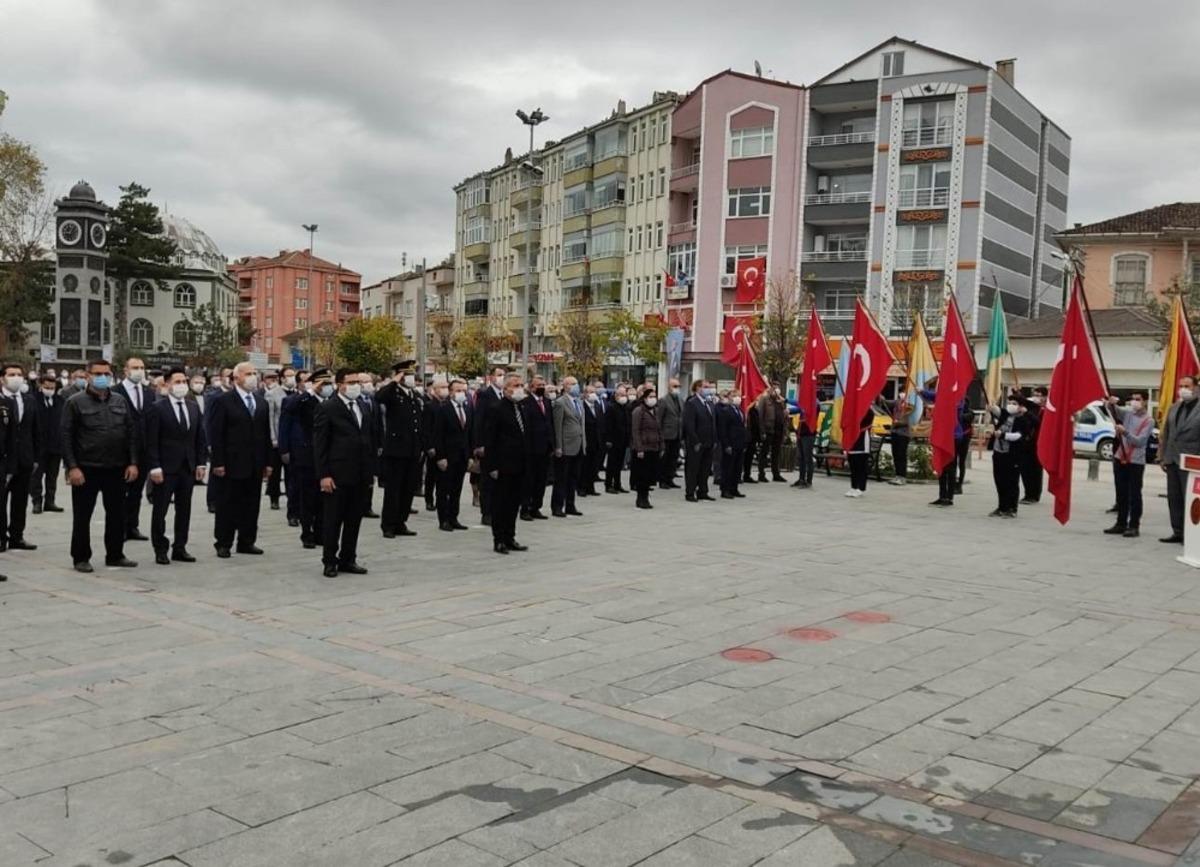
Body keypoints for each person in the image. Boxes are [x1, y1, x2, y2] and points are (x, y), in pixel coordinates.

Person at [61, 359, 139, 572]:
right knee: (82, 515)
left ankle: (115, 554)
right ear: (88, 376)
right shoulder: (75, 402)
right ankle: (80, 557)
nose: (102, 377)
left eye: (106, 373)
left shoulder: (120, 401)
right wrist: (72, 467)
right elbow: (66, 437)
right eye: (97, 374)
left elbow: (131, 433)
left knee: (117, 514)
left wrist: (133, 462)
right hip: (87, 468)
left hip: (116, 467)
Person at [207, 361, 271, 557]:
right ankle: (223, 542)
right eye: (248, 374)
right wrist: (218, 462)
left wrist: (268, 462)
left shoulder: (261, 402)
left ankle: (246, 541)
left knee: (251, 505)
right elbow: (216, 434)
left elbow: (265, 434)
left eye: (254, 373)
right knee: (228, 504)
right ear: (236, 378)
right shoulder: (223, 401)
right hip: (231, 462)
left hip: (255, 462)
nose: (253, 377)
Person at [313, 370, 373, 577]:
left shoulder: (363, 406)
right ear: (340, 384)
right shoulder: (328, 407)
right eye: (351, 382)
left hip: (359, 473)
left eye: (358, 381)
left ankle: (348, 558)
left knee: (354, 519)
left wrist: (371, 471)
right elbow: (320, 444)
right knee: (333, 520)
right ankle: (330, 560)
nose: (356, 385)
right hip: (337, 474)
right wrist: (324, 475)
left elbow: (368, 439)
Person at [145, 367, 207, 564]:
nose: (182, 385)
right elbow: (151, 440)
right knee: (160, 510)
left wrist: (201, 463)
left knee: (184, 509)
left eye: (184, 382)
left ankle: (180, 547)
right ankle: (160, 548)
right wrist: (154, 466)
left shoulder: (193, 407)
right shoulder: (157, 408)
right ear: (167, 384)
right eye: (177, 382)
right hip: (165, 468)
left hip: (187, 467)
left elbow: (199, 437)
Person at [279, 368, 330, 549]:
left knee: (323, 498)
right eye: (324, 384)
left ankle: (320, 532)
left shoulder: (330, 402)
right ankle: (307, 533)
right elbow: (288, 411)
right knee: (307, 497)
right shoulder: (300, 400)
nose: (327, 387)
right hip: (306, 455)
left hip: (326, 455)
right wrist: (309, 391)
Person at [483, 373, 530, 554]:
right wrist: (492, 466)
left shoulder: (521, 407)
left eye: (521, 385)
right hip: (503, 465)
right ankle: (499, 539)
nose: (520, 389)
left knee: (514, 503)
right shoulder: (496, 408)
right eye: (516, 385)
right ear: (506, 389)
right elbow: (490, 439)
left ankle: (510, 537)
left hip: (520, 464)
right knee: (500, 504)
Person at [376, 361, 423, 538]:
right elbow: (379, 397)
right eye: (407, 374)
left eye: (412, 374)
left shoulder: (413, 395)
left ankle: (401, 522)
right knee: (393, 490)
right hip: (396, 450)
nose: (411, 378)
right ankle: (388, 525)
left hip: (412, 450)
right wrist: (394, 381)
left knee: (408, 489)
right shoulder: (393, 393)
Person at [116, 357, 156, 542]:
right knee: (120, 491)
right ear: (126, 370)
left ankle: (133, 525)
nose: (139, 371)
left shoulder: (149, 393)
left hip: (144, 449)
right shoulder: (116, 392)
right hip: (121, 450)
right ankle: (120, 527)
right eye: (135, 367)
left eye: (141, 367)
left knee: (136, 491)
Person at [1104, 392, 1152, 538]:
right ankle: (1121, 523)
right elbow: (1113, 410)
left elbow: (1140, 441)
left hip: (1136, 461)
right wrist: (1110, 403)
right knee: (1121, 493)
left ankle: (1134, 525)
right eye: (1133, 399)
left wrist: (1125, 433)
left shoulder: (1148, 420)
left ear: (1145, 401)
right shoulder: (1128, 413)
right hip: (1120, 457)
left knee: (1134, 495)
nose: (1134, 402)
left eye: (1138, 399)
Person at [2, 363, 38, 551]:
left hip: (24, 458)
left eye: (19, 374)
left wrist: (36, 457)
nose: (16, 378)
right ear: (2, 378)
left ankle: (17, 536)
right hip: (3, 459)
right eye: (11, 374)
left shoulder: (29, 400)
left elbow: (36, 430)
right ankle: (1, 537)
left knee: (20, 500)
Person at [1159, 375, 1200, 544]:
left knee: (1189, 499)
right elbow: (1167, 433)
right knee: (1174, 498)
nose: (1183, 389)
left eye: (1187, 386)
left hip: (1192, 461)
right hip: (1172, 460)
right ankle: (1178, 531)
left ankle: (1191, 534)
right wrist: (1162, 457)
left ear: (1196, 387)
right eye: (1181, 386)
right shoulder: (1175, 407)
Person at [431, 377, 473, 532]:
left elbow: (470, 433)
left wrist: (470, 456)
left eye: (464, 391)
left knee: (457, 489)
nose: (462, 393)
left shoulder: (467, 408)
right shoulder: (443, 409)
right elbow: (438, 435)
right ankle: (443, 520)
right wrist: (440, 457)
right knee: (444, 489)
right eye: (458, 390)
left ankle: (454, 517)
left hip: (462, 456)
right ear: (450, 392)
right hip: (447, 456)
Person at [472, 367, 507, 525]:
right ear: (491, 377)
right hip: (488, 444)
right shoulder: (485, 395)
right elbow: (479, 420)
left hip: (502, 445)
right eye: (499, 375)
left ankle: (498, 511)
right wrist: (479, 444)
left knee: (500, 481)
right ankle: (486, 513)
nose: (502, 378)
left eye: (503, 375)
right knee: (487, 481)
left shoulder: (505, 395)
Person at [988, 394, 1030, 517]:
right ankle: (1002, 507)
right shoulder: (1005, 415)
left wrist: (1003, 435)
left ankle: (1012, 508)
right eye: (1010, 402)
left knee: (1011, 482)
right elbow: (997, 411)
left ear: (1021, 407)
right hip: (998, 452)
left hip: (1013, 455)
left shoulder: (1023, 420)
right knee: (999, 481)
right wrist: (991, 407)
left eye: (1014, 403)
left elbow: (1019, 436)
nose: (1011, 405)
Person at [520, 374, 554, 521]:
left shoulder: (547, 402)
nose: (541, 387)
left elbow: (550, 423)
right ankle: (525, 508)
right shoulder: (526, 403)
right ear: (531, 387)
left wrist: (552, 444)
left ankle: (536, 507)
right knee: (529, 480)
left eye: (543, 385)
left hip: (545, 448)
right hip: (531, 448)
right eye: (538, 385)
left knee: (541, 480)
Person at [551, 376, 585, 518]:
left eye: (577, 383)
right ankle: (557, 506)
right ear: (565, 386)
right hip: (565, 446)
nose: (576, 386)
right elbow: (557, 426)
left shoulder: (579, 402)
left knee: (573, 477)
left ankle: (570, 505)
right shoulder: (560, 403)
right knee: (561, 478)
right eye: (573, 383)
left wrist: (584, 444)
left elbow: (581, 424)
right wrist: (558, 446)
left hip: (578, 445)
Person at [31, 372, 64, 515]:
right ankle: (37, 501)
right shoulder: (33, 399)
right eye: (47, 387)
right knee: (36, 476)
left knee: (52, 476)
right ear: (40, 385)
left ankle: (50, 501)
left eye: (52, 388)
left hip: (55, 446)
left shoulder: (60, 401)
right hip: (38, 446)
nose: (49, 390)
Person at [682, 379, 716, 502]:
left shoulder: (709, 403)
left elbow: (713, 422)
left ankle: (703, 491)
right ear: (698, 388)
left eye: (708, 387)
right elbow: (689, 425)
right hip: (696, 442)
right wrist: (695, 441)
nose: (708, 389)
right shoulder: (692, 403)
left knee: (705, 469)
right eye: (705, 387)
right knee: (693, 468)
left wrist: (714, 439)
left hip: (708, 441)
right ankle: (690, 492)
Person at [630, 385, 662, 509]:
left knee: (649, 475)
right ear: (644, 398)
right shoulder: (638, 411)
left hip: (654, 447)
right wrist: (639, 448)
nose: (653, 399)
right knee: (642, 475)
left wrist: (661, 445)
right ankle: (641, 498)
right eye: (650, 397)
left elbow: (659, 429)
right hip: (643, 447)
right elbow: (635, 430)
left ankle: (646, 497)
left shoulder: (656, 411)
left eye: (654, 396)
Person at [263, 369, 288, 512]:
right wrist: (272, 438)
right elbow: (270, 417)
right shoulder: (271, 393)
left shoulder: (293, 392)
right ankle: (274, 497)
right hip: (277, 438)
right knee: (275, 471)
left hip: (288, 438)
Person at [421, 377, 447, 513]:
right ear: (435, 390)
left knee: (442, 477)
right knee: (431, 475)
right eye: (442, 387)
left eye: (446, 387)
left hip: (445, 446)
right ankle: (429, 499)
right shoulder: (430, 406)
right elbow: (426, 428)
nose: (445, 390)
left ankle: (440, 499)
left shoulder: (447, 405)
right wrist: (429, 446)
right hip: (433, 445)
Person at [717, 390, 748, 499]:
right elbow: (723, 429)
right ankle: (725, 489)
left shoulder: (740, 411)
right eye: (734, 396)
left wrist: (744, 443)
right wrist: (726, 445)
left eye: (739, 396)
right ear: (729, 397)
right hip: (730, 443)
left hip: (739, 443)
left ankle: (734, 488)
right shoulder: (726, 411)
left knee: (737, 468)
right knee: (728, 468)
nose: (737, 398)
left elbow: (742, 428)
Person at [754, 384, 788, 482]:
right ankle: (761, 474)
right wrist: (762, 431)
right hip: (768, 430)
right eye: (774, 389)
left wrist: (785, 416)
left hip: (779, 430)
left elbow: (784, 416)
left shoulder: (781, 401)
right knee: (764, 453)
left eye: (778, 389)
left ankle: (776, 474)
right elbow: (760, 416)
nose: (776, 391)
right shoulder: (765, 400)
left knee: (776, 453)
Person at [1020, 387, 1046, 503]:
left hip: (1037, 444)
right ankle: (1027, 493)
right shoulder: (1030, 407)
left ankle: (1034, 495)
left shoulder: (1044, 410)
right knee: (1025, 469)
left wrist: (1027, 413)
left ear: (1044, 397)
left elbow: (1039, 423)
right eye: (1034, 395)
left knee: (1035, 470)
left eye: (1039, 395)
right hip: (1025, 442)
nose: (1036, 397)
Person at [655, 378, 683, 489]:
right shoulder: (663, 400)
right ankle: (662, 480)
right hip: (666, 434)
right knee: (665, 459)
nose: (677, 388)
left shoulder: (680, 400)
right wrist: (659, 435)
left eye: (678, 386)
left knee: (673, 458)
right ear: (669, 387)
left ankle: (670, 478)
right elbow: (659, 419)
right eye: (675, 386)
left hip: (677, 434)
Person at [604, 385, 630, 494]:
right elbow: (608, 425)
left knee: (619, 464)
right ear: (616, 396)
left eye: (625, 395)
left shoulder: (625, 407)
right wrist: (608, 439)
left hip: (623, 440)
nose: (624, 397)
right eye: (621, 395)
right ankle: (608, 484)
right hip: (613, 441)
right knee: (612, 464)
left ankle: (617, 484)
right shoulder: (611, 407)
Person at [579, 385, 604, 497]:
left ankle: (590, 487)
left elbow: (601, 423)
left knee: (593, 466)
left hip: (596, 441)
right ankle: (582, 487)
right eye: (590, 392)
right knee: (584, 466)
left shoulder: (597, 406)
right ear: (585, 394)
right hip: (586, 440)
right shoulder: (582, 406)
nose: (593, 394)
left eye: (594, 392)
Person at [844, 407, 874, 498]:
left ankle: (860, 488)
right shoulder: (853, 411)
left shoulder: (869, 411)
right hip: (852, 440)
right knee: (853, 466)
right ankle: (853, 487)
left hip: (862, 441)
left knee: (861, 466)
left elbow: (865, 422)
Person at [886, 390, 913, 486]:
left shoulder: (910, 406)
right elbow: (887, 402)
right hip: (895, 433)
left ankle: (902, 477)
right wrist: (880, 397)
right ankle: (897, 475)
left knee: (901, 456)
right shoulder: (897, 403)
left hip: (903, 434)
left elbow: (907, 421)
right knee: (896, 455)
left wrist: (898, 423)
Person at [792, 409, 817, 489]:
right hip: (801, 433)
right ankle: (801, 479)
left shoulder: (814, 404)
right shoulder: (804, 405)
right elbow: (797, 408)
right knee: (801, 457)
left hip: (809, 434)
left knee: (808, 458)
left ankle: (808, 481)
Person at [743, 399, 761, 485]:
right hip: (746, 437)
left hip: (753, 437)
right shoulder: (746, 410)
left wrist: (758, 438)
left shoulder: (755, 411)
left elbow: (757, 424)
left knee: (749, 458)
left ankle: (747, 475)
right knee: (744, 457)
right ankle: (739, 475)